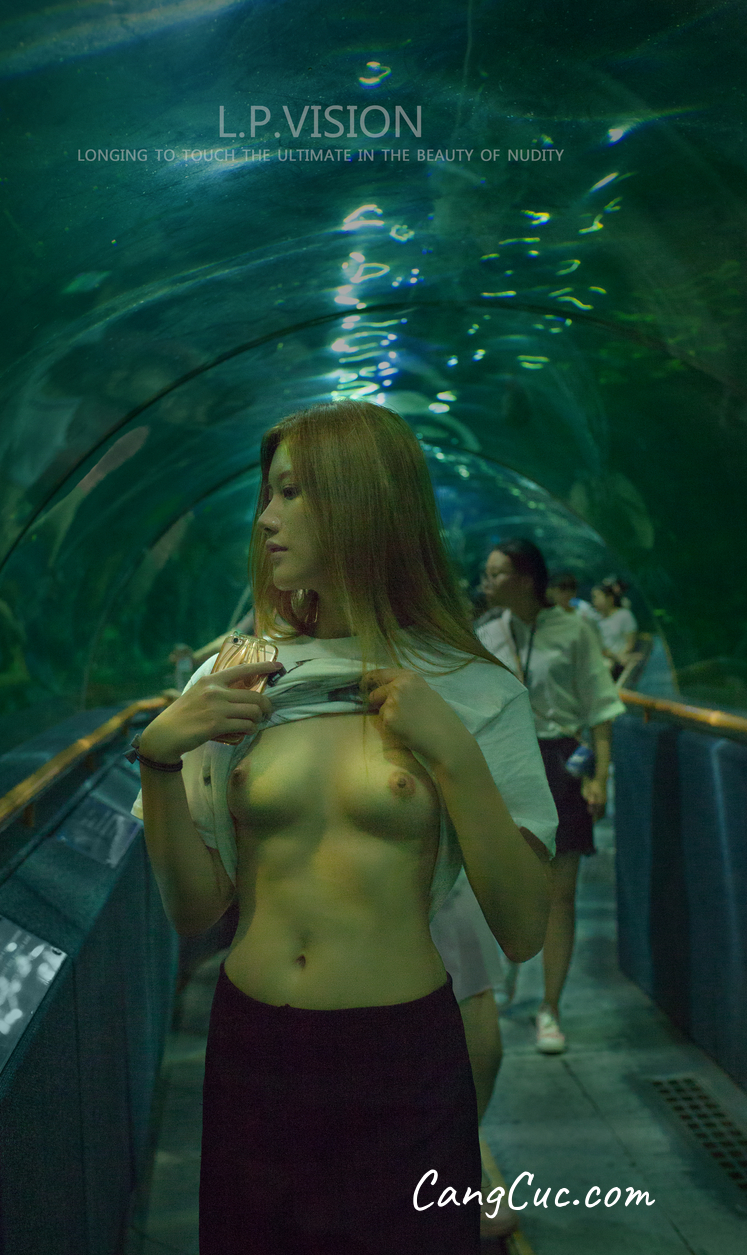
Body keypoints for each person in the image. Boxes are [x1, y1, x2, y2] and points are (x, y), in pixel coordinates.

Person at [129, 401, 557, 1255]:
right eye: (267, 494)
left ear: (363, 502)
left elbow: (519, 928)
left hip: (398, 1057)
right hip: (252, 1047)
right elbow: (193, 909)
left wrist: (452, 755)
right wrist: (157, 760)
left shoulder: (472, 689)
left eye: (291, 493)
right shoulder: (237, 676)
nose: (265, 518)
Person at [478, 539, 625, 1054]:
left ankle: (550, 1007)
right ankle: (507, 968)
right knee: (503, 879)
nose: (486, 583)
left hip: (561, 762)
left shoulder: (573, 629)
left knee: (560, 893)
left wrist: (600, 777)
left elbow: (600, 710)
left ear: (525, 580)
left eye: (496, 574)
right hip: (504, 761)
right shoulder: (487, 633)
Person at [591, 580, 638, 680]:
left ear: (610, 598)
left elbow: (630, 644)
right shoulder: (594, 619)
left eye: (597, 597)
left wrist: (618, 657)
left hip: (618, 662)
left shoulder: (624, 615)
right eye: (593, 597)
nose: (594, 601)